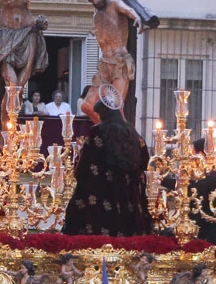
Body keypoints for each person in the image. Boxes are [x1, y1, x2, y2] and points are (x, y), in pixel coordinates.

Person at [62, 98, 153, 236]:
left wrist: (78, 172)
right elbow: (144, 159)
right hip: (128, 192)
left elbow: (84, 161)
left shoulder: (97, 131)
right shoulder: (132, 132)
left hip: (101, 189)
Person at [79, 0, 143, 124]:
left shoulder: (114, 3)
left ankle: (122, 135)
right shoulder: (96, 13)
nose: (94, 1)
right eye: (91, 0)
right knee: (87, 106)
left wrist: (137, 18)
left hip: (120, 61)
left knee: (115, 107)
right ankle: (107, 129)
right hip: (104, 64)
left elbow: (128, 10)